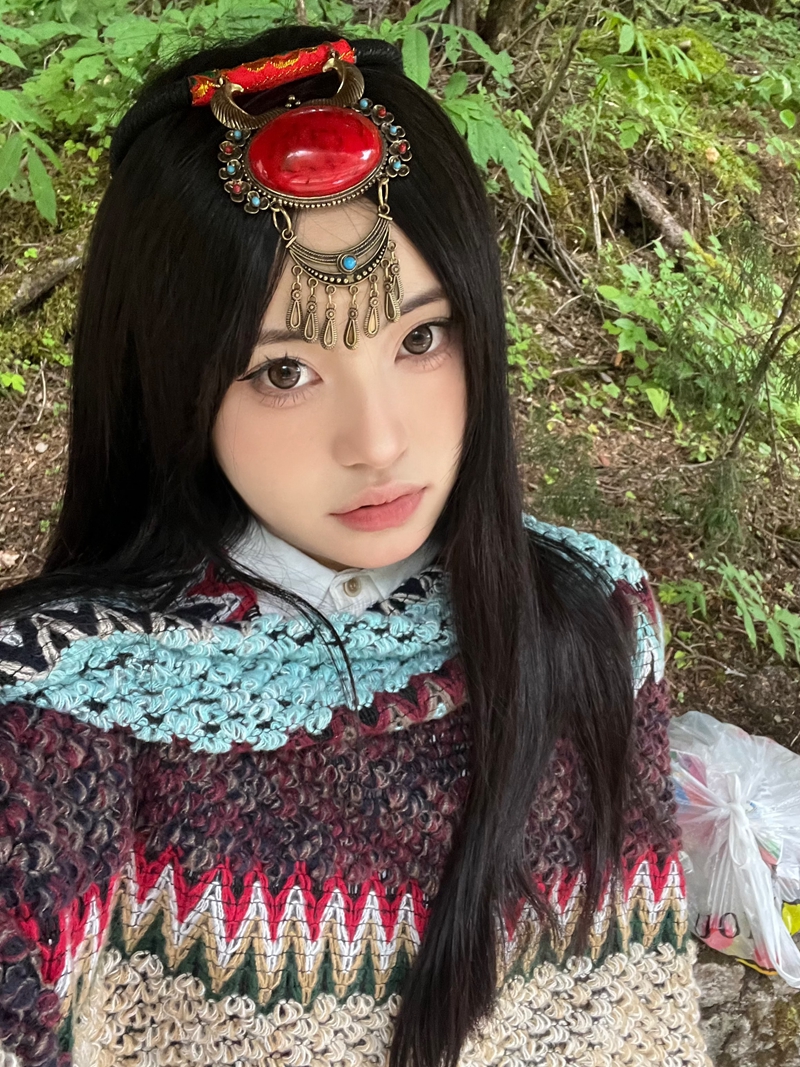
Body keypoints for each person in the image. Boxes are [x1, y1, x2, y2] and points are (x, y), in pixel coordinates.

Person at [0, 23, 711, 1067]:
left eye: (420, 337)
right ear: (170, 384)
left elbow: (634, 1014)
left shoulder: (592, 616)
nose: (377, 442)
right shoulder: (66, 708)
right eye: (283, 371)